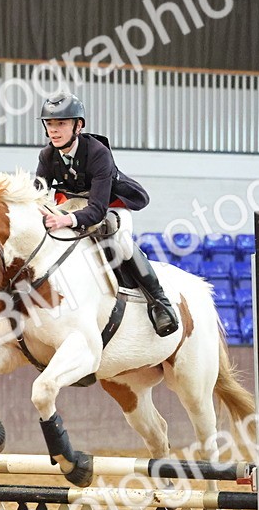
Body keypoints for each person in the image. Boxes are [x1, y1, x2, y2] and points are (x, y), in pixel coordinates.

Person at [34, 92, 178, 336]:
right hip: (73, 203)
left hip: (111, 204)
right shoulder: (47, 155)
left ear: (78, 125)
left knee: (120, 241)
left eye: (61, 123)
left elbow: (98, 209)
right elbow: (37, 195)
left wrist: (65, 219)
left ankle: (160, 303)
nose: (54, 131)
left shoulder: (98, 152)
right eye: (50, 124)